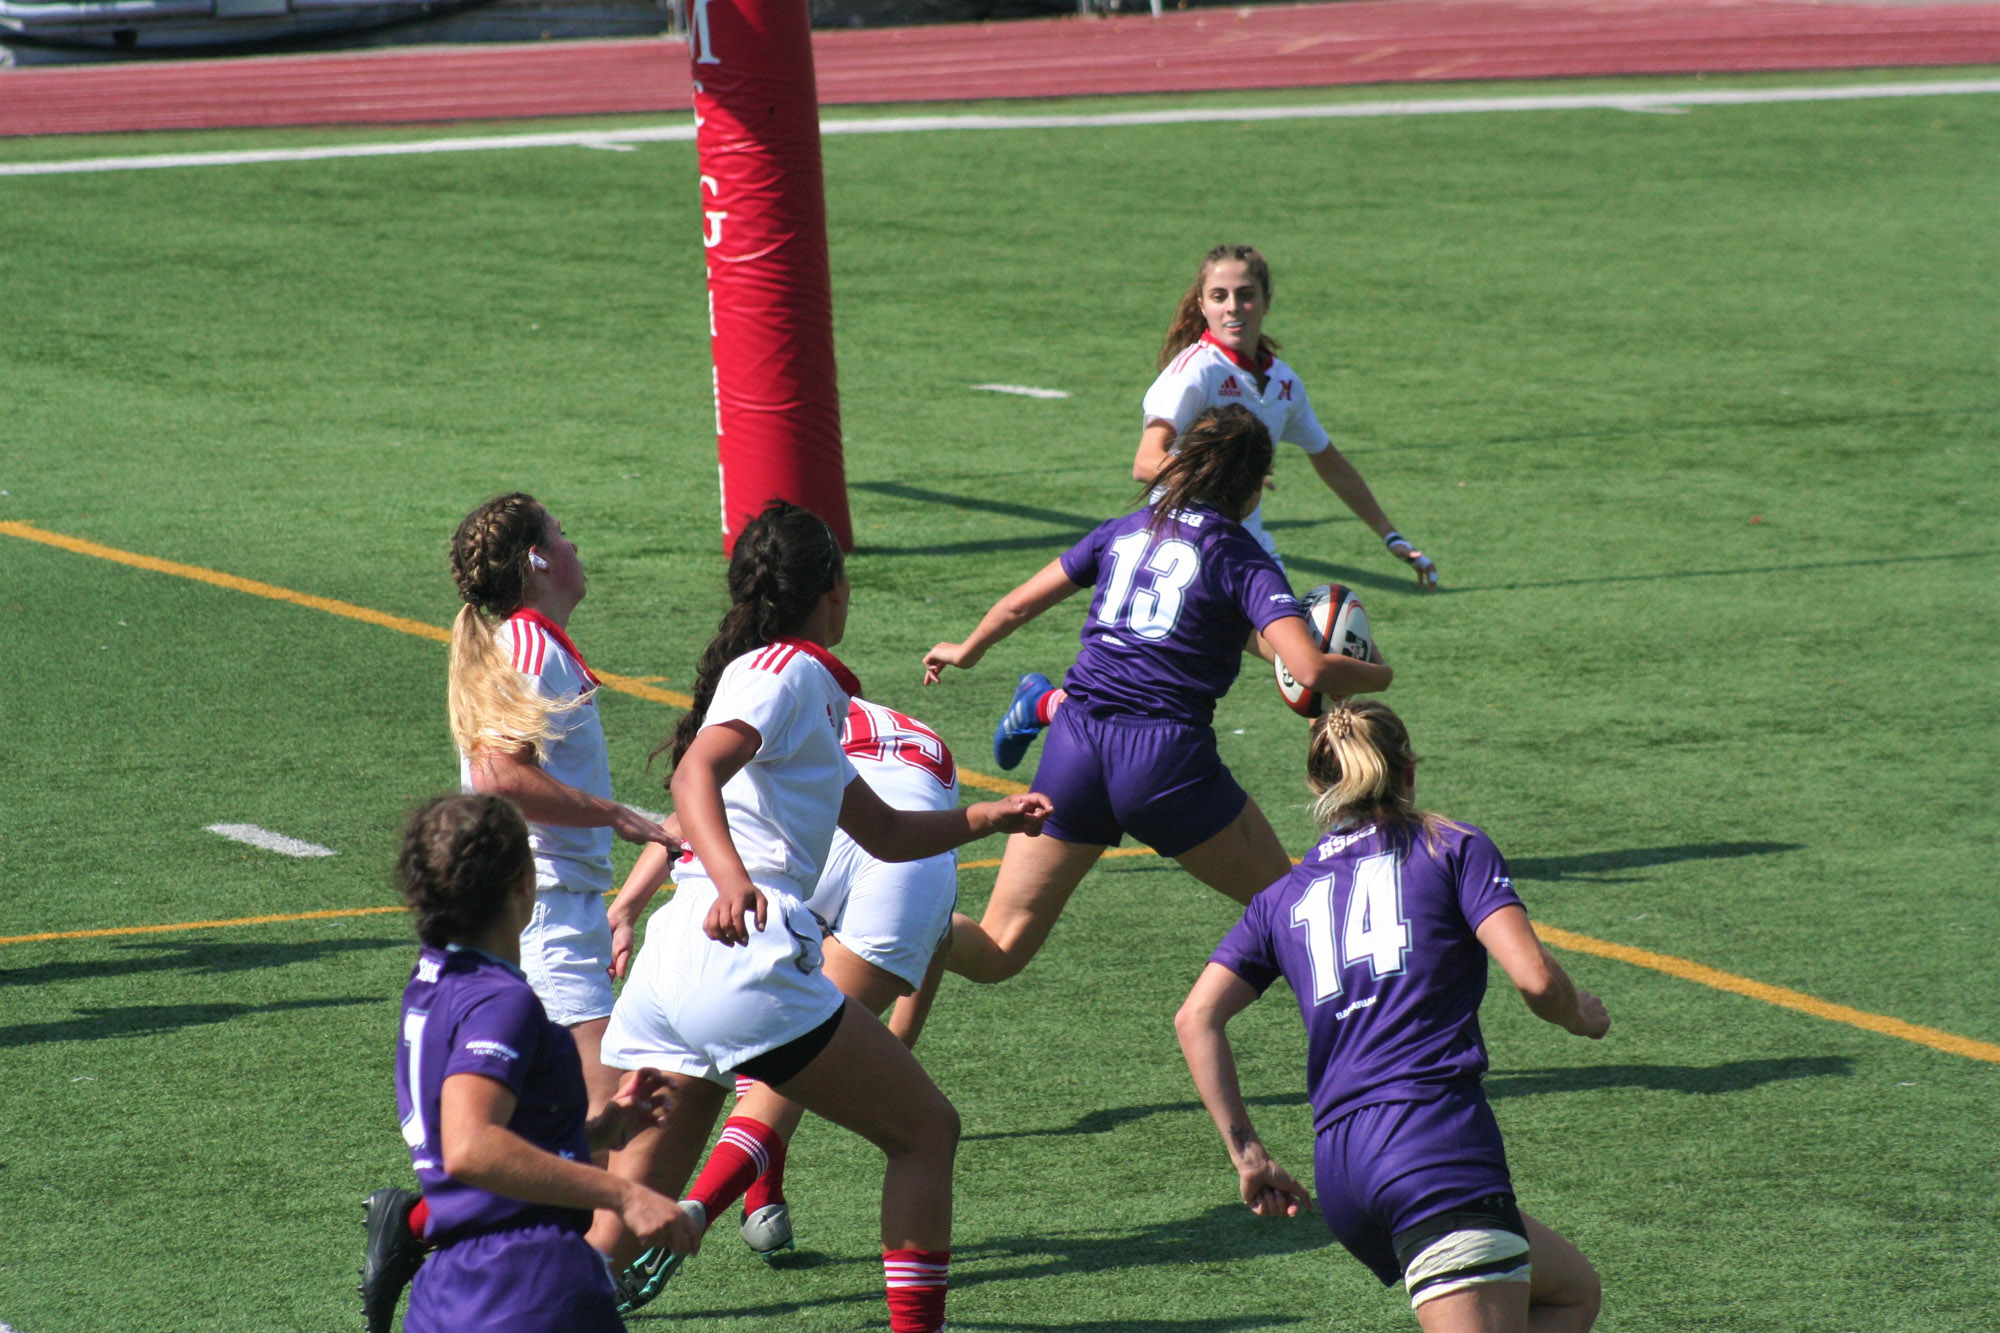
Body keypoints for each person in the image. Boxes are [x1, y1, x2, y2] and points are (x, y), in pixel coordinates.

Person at [592, 501, 1053, 1333]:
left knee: (617, 1227)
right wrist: (734, 879)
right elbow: (693, 774)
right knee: (925, 1132)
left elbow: (881, 830)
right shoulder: (792, 671)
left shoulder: (781, 677)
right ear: (831, 590)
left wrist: (988, 818)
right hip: (738, 954)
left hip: (673, 966)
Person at [923, 405, 1392, 987]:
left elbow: (1020, 603)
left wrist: (966, 650)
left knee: (998, 948)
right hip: (1166, 763)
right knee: (1296, 911)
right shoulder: (1241, 555)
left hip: (1076, 747)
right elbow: (1310, 669)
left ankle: (875, 927)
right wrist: (1380, 675)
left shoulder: (1121, 530)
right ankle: (1364, 1050)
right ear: (1252, 486)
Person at [1174, 700, 1606, 1332]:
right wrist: (1580, 1017)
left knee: (1571, 1290)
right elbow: (1537, 980)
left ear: (1317, 787)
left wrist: (1249, 1155)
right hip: (1434, 1149)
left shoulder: (1281, 897)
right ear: (1408, 772)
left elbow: (1196, 1019)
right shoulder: (1452, 847)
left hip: (1344, 1169)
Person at [362, 493, 681, 1333]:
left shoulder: (522, 642)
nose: (578, 545)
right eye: (563, 534)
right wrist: (615, 815)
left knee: (590, 1115)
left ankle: (444, 1233)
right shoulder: (530, 644)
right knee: (603, 1127)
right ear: (537, 560)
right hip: (546, 918)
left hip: (550, 911)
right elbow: (501, 773)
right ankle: (547, 1275)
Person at [992, 244, 1435, 771]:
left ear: (1266, 301)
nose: (1233, 307)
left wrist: (1390, 535)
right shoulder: (1194, 371)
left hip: (1245, 554)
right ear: (1200, 304)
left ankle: (1044, 704)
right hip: (1185, 549)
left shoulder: (1282, 382)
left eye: (1245, 296)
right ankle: (1045, 704)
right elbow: (1146, 460)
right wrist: (1223, 476)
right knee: (1310, 673)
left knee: (1314, 676)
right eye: (1219, 296)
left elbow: (1330, 460)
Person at [605, 694, 961, 1263]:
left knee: (760, 1042)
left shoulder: (782, 698)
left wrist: (625, 907)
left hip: (785, 860)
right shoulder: (833, 702)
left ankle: (738, 1202)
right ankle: (707, 1208)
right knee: (872, 1101)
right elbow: (972, 954)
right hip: (911, 856)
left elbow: (693, 805)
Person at [387, 792, 702, 1333]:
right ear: (522, 884)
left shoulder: (431, 981)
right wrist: (624, 1193)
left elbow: (482, 1136)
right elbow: (471, 1146)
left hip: (451, 1289)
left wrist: (598, 1134)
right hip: (529, 1285)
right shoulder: (499, 1001)